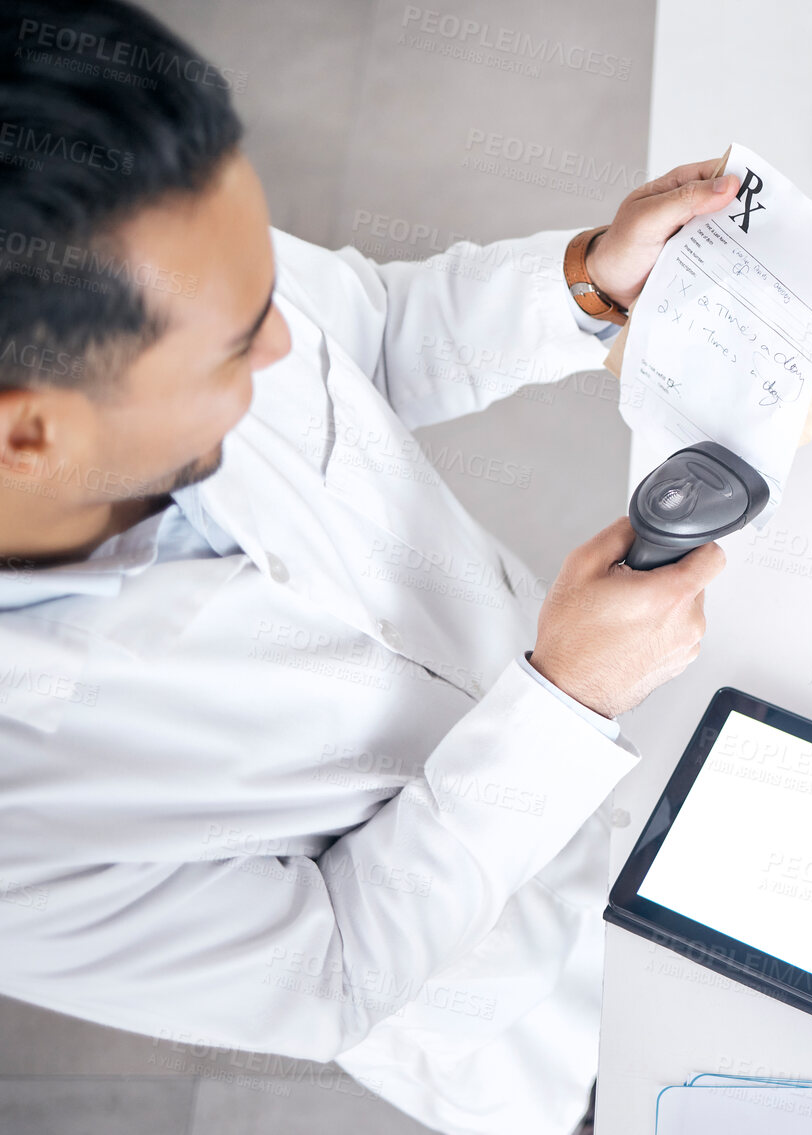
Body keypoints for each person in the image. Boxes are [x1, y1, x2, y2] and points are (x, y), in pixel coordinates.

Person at [0, 2, 738, 1132]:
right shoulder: (22, 818)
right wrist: (561, 703)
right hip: (543, 1017)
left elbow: (370, 327)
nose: (285, 341)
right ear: (29, 435)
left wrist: (588, 281)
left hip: (639, 757)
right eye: (240, 339)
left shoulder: (164, 254)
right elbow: (336, 968)